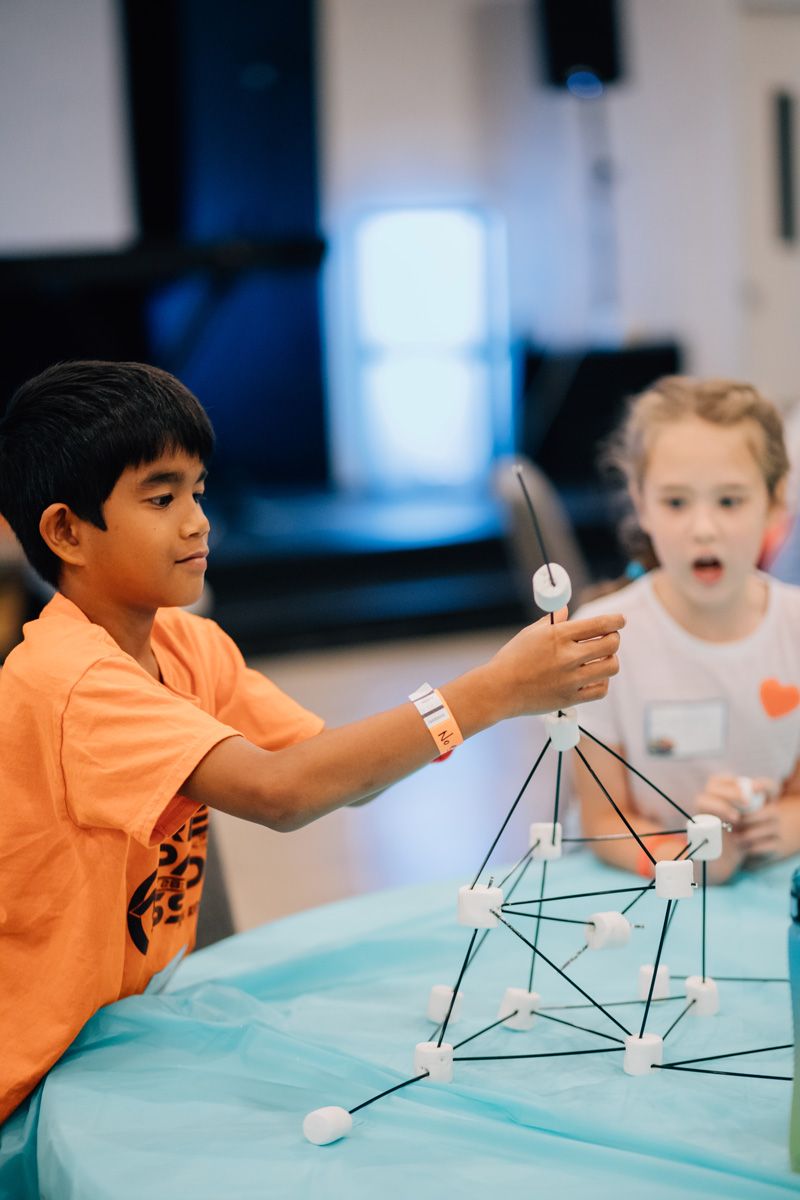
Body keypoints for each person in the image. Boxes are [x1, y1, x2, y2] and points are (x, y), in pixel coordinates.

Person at [0, 360, 623, 1124]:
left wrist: (490, 700)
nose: (199, 521)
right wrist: (490, 691)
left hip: (129, 1036)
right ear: (66, 530)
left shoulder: (189, 645)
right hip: (38, 1074)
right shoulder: (68, 681)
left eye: (197, 492)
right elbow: (280, 791)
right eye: (161, 498)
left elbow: (337, 771)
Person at [572, 375, 800, 883]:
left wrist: (790, 823)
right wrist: (683, 857)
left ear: (775, 500)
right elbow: (601, 819)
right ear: (640, 501)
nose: (703, 528)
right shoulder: (601, 642)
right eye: (676, 502)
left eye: (729, 501)